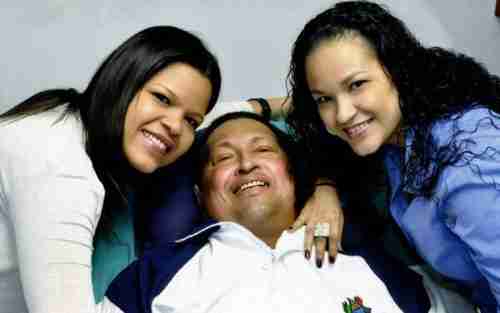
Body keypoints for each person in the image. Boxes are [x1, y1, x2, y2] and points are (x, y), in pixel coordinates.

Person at [0, 27, 340, 313]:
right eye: (162, 99)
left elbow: (201, 113)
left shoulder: (69, 115)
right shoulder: (61, 168)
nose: (175, 127)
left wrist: (321, 179)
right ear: (122, 80)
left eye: (191, 120)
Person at [100, 112, 438, 313]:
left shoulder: (368, 262)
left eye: (262, 150)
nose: (246, 164)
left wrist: (326, 187)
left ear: (293, 174)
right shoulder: (153, 275)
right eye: (224, 158)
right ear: (199, 194)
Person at [284, 1, 500, 312]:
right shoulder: (402, 128)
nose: (343, 114)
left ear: (398, 71)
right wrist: (325, 186)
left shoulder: (470, 164)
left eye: (357, 85)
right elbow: (306, 121)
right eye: (324, 99)